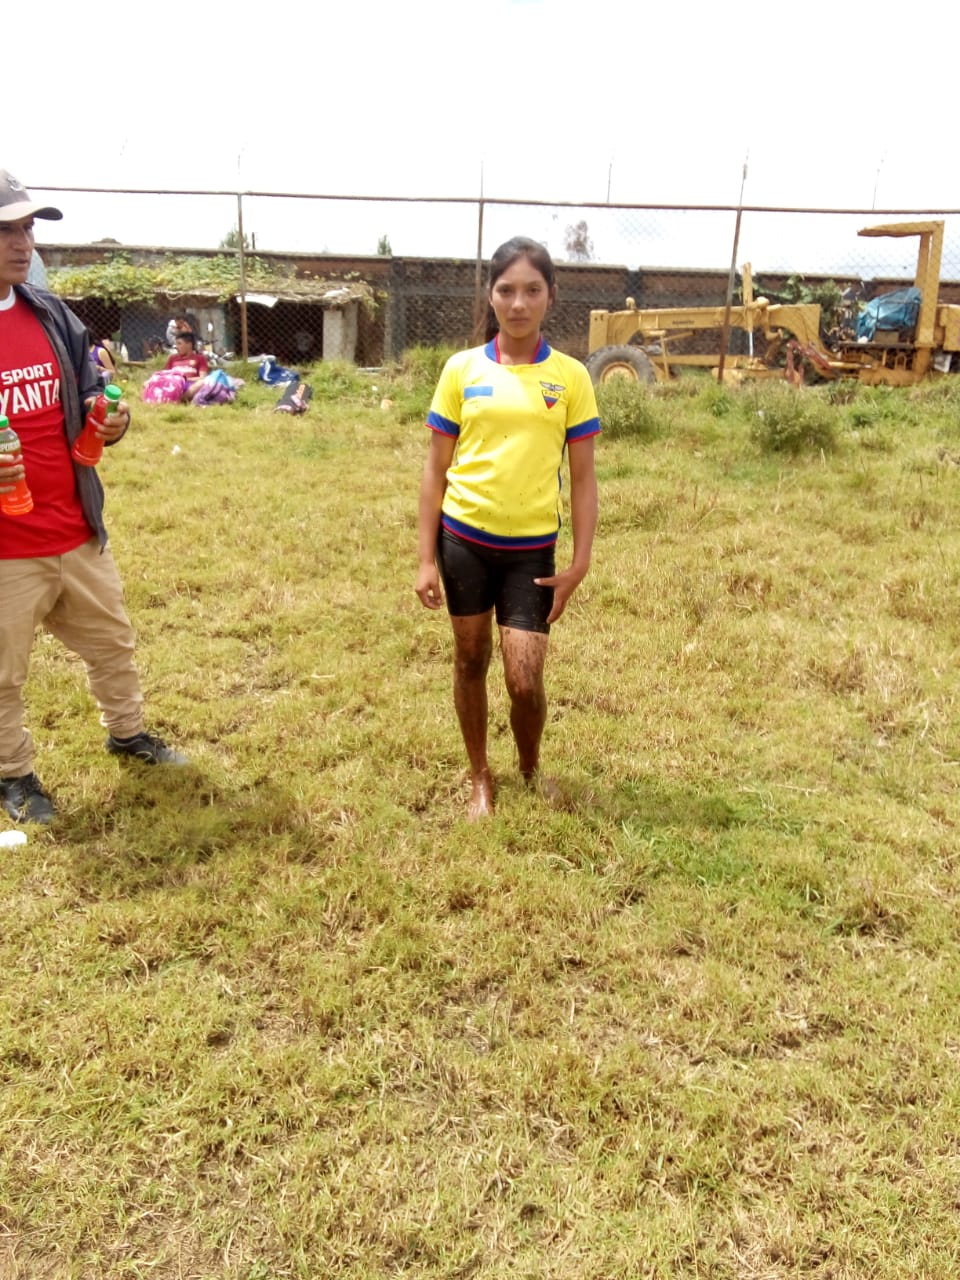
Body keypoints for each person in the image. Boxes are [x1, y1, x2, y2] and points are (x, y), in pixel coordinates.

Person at [0, 169, 188, 825]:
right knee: (3, 675)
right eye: (6, 230)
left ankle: (128, 734)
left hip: (76, 528)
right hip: (7, 549)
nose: (23, 243)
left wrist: (113, 418)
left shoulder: (49, 313)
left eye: (27, 228)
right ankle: (14, 776)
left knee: (113, 642)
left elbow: (90, 390)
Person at [415, 237, 600, 820]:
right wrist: (424, 559)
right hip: (463, 542)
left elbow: (584, 478)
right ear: (491, 296)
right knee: (470, 660)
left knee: (525, 680)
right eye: (506, 290)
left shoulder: (570, 377)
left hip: (531, 552)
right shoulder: (461, 369)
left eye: (531, 290)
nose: (518, 303)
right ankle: (480, 778)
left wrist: (580, 562)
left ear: (550, 297)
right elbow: (435, 469)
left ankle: (528, 768)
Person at [163, 330, 209, 400]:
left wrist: (184, 379)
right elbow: (164, 375)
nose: (176, 347)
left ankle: (180, 398)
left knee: (202, 383)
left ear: (189, 345)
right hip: (173, 384)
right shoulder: (173, 358)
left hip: (189, 386)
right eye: (176, 344)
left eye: (179, 344)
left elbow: (203, 378)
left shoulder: (200, 358)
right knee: (149, 382)